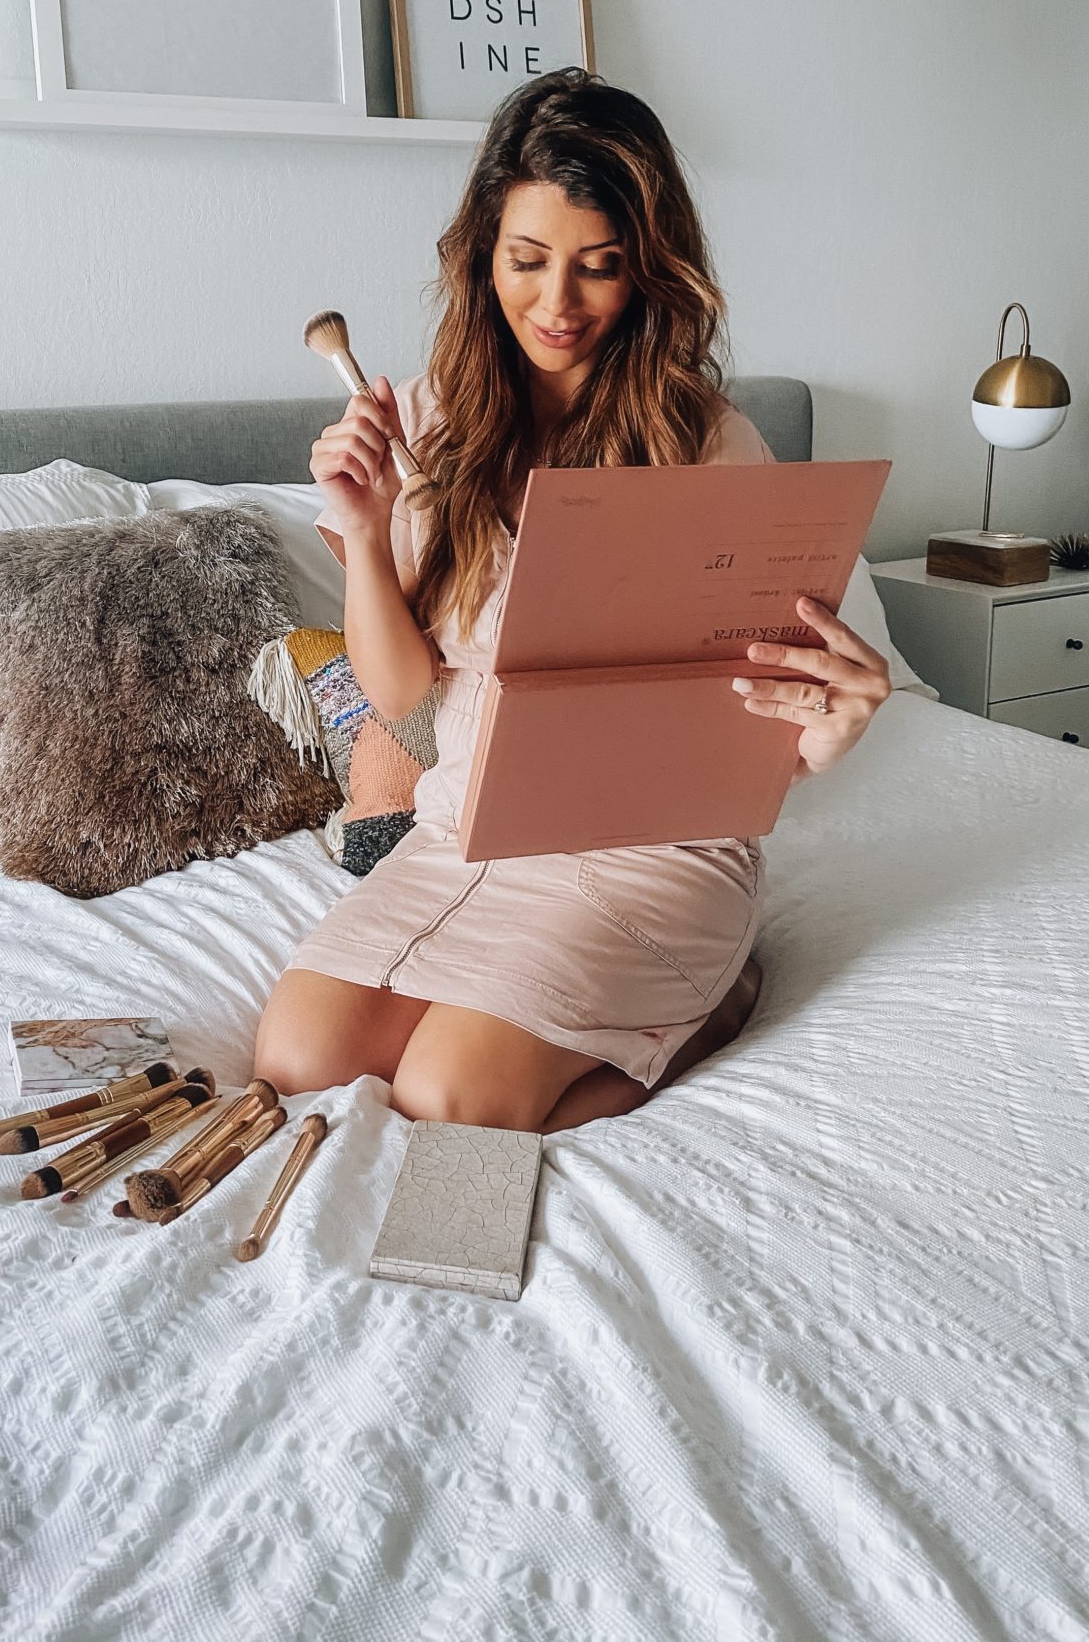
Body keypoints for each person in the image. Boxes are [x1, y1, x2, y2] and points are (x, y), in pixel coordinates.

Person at [254, 68, 891, 1133]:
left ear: (647, 272)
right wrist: (363, 532)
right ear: (482, 253)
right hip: (461, 829)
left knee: (448, 1092)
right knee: (297, 1056)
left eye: (600, 268)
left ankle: (707, 1004)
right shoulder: (422, 419)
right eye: (528, 260)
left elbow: (755, 710)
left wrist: (831, 730)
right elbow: (401, 685)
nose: (558, 304)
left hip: (651, 849)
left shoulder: (710, 442)